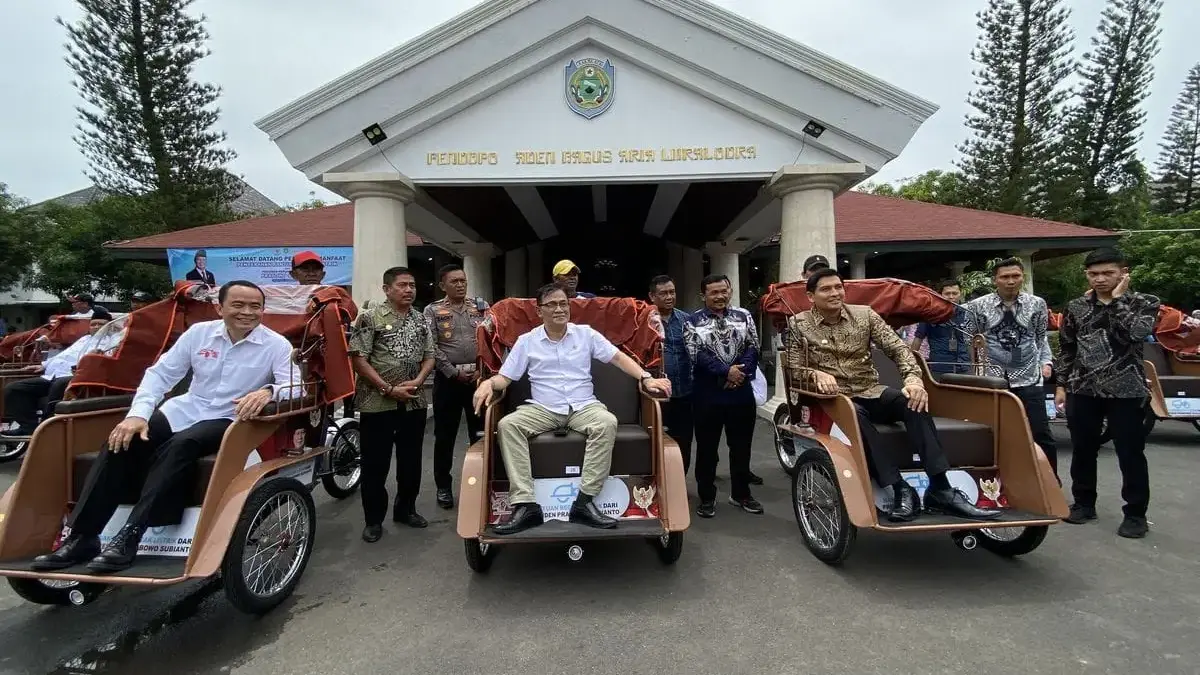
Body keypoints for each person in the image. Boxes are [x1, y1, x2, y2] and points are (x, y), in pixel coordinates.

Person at [31, 281, 296, 573]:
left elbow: (293, 387)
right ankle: (83, 537)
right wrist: (138, 415)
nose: (247, 312)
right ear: (220, 308)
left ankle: (132, 534)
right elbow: (160, 375)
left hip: (231, 418)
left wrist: (269, 391)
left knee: (184, 444)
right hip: (187, 408)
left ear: (262, 310)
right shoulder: (198, 334)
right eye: (238, 305)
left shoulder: (275, 345)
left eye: (254, 306)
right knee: (122, 439)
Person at [788, 269, 1001, 522]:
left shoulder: (864, 315)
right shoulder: (799, 324)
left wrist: (913, 381)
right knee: (855, 414)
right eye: (826, 289)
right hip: (833, 399)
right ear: (811, 296)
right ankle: (900, 487)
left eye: (838, 287)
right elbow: (793, 369)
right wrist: (814, 375)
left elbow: (899, 350)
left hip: (870, 389)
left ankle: (941, 487)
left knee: (913, 403)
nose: (835, 293)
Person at [471, 283, 671, 535]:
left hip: (583, 406)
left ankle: (584, 502)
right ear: (539, 310)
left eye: (563, 304)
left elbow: (617, 358)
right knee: (507, 425)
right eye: (552, 304)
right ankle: (526, 505)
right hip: (543, 408)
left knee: (606, 422)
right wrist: (489, 383)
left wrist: (645, 377)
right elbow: (506, 378)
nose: (559, 309)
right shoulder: (527, 341)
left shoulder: (585, 334)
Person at [1055, 248, 1160, 539]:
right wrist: (1062, 385)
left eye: (1107, 273)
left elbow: (1137, 334)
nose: (1100, 279)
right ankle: (1084, 504)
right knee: (1083, 449)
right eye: (1093, 273)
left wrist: (1117, 301)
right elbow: (1067, 348)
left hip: (1126, 391)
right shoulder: (1077, 306)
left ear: (1123, 273)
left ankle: (1136, 514)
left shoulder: (1144, 303)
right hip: (1083, 388)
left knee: (1130, 453)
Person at [349, 267, 435, 543]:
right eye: (402, 285)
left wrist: (418, 381)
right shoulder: (370, 318)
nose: (409, 290)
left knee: (411, 461)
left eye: (411, 285)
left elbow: (430, 356)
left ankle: (406, 510)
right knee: (376, 464)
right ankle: (373, 520)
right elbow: (358, 359)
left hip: (414, 400)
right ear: (387, 289)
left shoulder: (421, 320)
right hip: (378, 402)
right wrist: (388, 388)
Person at [962, 258, 1058, 474]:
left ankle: (1050, 480)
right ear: (995, 279)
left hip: (1028, 376)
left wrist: (1046, 361)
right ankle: (999, 480)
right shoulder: (977, 306)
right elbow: (972, 340)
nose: (1011, 281)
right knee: (995, 432)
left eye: (1016, 276)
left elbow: (1040, 338)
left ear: (1022, 277)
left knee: (1040, 432)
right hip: (992, 377)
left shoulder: (1037, 304)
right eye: (1005, 277)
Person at [684, 273, 763, 518]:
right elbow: (695, 354)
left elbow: (753, 346)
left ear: (730, 291)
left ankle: (741, 494)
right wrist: (725, 372)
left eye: (724, 291)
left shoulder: (744, 316)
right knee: (707, 449)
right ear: (703, 295)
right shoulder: (692, 321)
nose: (720, 296)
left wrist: (739, 373)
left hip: (740, 393)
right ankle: (707, 497)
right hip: (707, 394)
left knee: (741, 447)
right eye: (713, 292)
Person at [424, 263, 488, 510]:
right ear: (443, 285)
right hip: (448, 380)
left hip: (478, 381)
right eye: (455, 281)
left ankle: (482, 483)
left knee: (480, 433)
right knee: (445, 437)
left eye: (463, 280)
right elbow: (431, 345)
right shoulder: (433, 310)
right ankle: (443, 487)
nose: (461, 285)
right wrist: (452, 372)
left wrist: (482, 371)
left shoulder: (480, 306)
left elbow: (491, 338)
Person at [2, 308, 118, 438]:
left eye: (101, 324)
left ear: (109, 326)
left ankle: (48, 425)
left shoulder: (113, 340)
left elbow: (109, 360)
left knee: (59, 384)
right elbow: (63, 356)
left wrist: (97, 356)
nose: (96, 327)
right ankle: (28, 427)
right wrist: (42, 365)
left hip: (78, 377)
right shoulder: (84, 339)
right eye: (93, 324)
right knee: (13, 389)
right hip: (52, 375)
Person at [649, 274, 694, 473]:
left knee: (684, 441)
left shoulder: (687, 320)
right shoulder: (645, 322)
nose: (669, 296)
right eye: (663, 293)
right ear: (652, 296)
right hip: (657, 396)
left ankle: (680, 483)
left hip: (685, 392)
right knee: (655, 441)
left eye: (672, 292)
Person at [911, 279, 972, 375]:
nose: (951, 297)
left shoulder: (968, 313)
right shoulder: (930, 314)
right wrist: (911, 362)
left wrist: (974, 363)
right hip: (940, 366)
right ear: (940, 295)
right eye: (947, 294)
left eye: (954, 293)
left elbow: (971, 341)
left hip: (964, 366)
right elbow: (918, 339)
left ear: (960, 294)